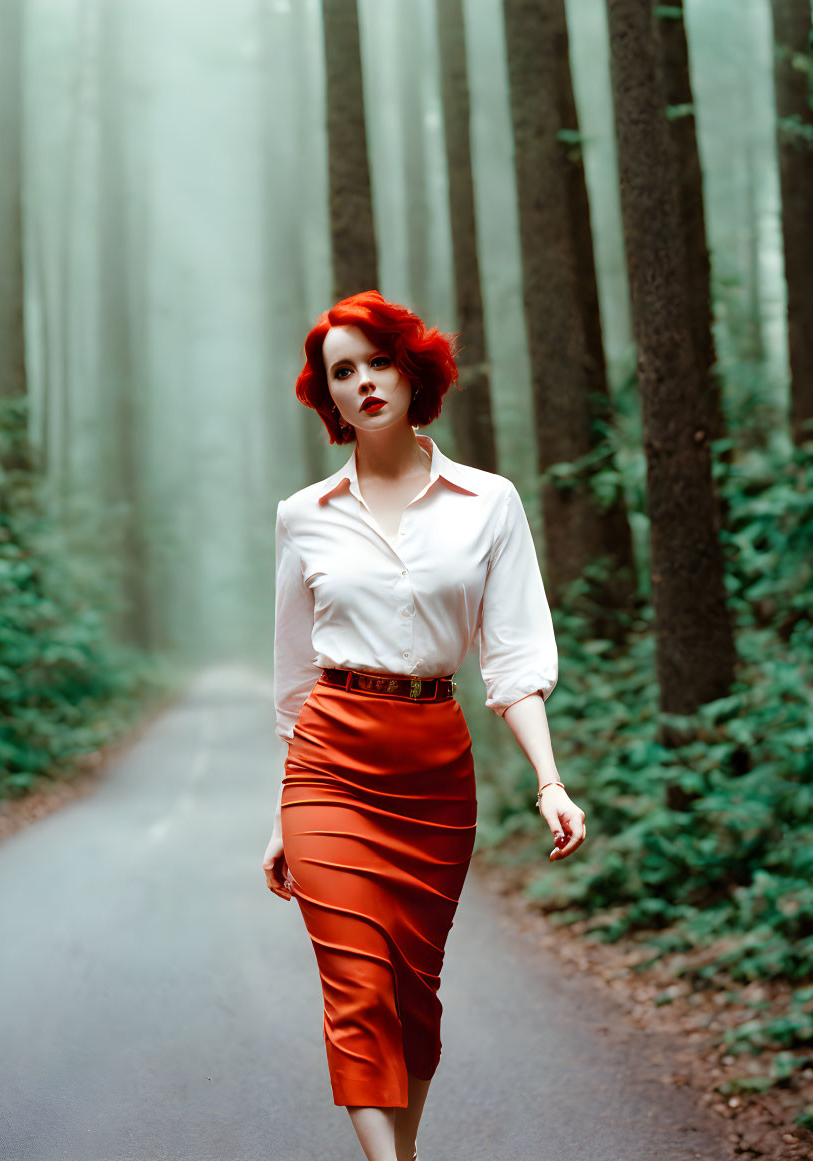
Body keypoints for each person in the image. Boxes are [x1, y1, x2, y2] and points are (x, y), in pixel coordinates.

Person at [262, 290, 586, 1161]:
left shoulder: (488, 502)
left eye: (377, 360)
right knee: (356, 986)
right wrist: (282, 814)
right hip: (327, 761)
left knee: (412, 993)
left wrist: (549, 781)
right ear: (325, 397)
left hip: (432, 767)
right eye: (342, 371)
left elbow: (512, 658)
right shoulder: (303, 516)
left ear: (412, 369)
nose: (363, 381)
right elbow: (295, 680)